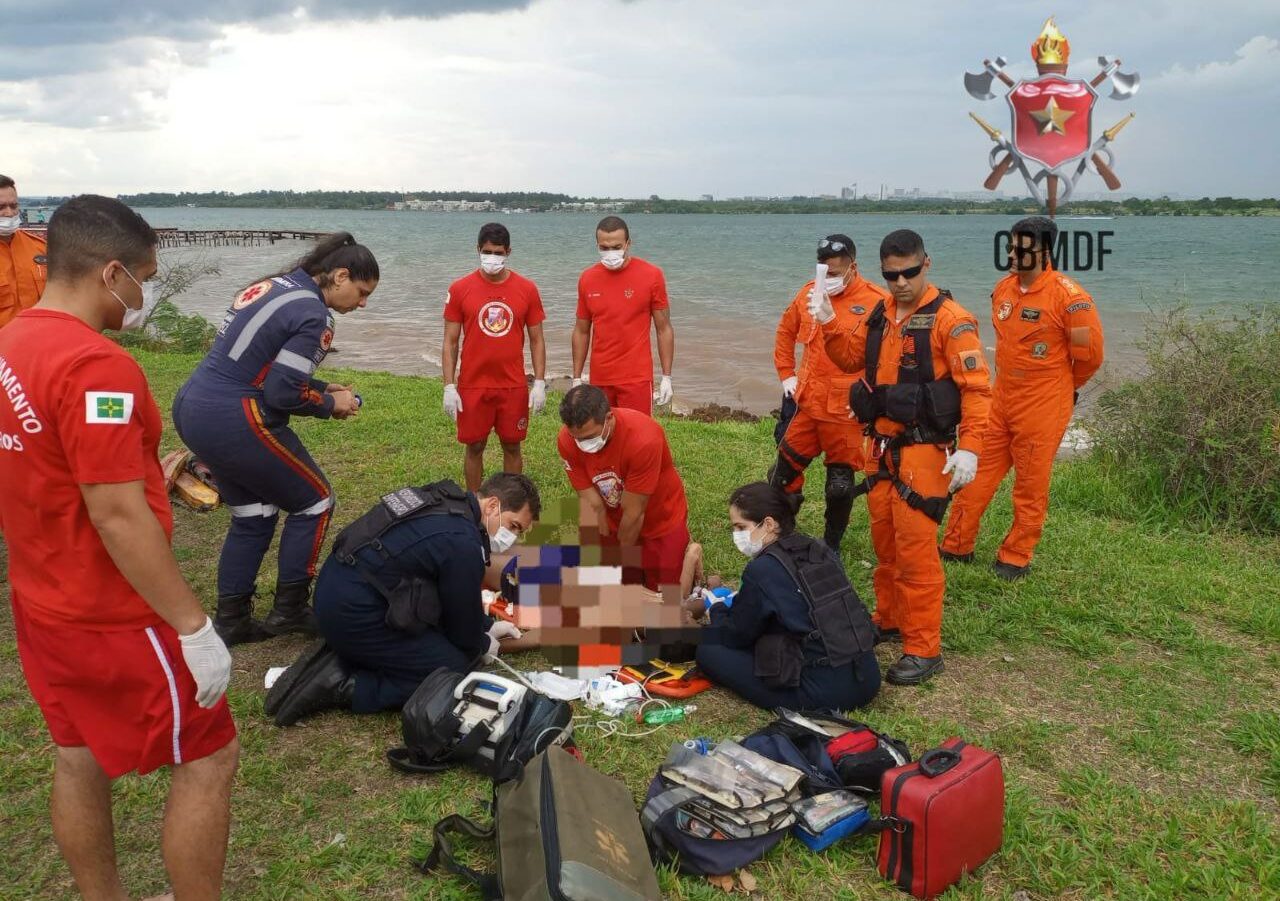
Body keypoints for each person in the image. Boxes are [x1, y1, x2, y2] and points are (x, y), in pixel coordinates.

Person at [0, 195, 237, 899]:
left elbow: (53, 461)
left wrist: (144, 474)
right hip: (112, 613)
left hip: (41, 598)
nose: (146, 290)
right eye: (146, 274)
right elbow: (113, 514)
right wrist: (193, 627)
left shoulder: (12, 343)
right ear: (111, 273)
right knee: (209, 756)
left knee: (76, 755)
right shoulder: (98, 369)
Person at [173, 233, 376, 646]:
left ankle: (231, 619)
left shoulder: (275, 285)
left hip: (195, 405)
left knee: (255, 513)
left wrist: (318, 384)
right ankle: (290, 608)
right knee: (316, 500)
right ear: (340, 276)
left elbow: (259, 362)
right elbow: (282, 393)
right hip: (236, 417)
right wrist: (328, 404)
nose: (362, 303)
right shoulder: (316, 315)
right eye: (362, 292)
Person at [811, 229, 992, 686]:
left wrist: (969, 447)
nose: (901, 282)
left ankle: (923, 648)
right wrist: (829, 320)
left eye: (909, 272)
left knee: (915, 554)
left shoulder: (953, 321)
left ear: (926, 264)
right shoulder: (881, 315)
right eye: (892, 275)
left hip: (925, 450)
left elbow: (977, 390)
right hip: (881, 448)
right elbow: (852, 358)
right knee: (885, 546)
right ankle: (889, 619)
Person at [264, 473, 539, 726]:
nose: (511, 537)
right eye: (514, 526)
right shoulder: (462, 540)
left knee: (447, 644)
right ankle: (343, 684)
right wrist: (481, 642)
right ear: (492, 505)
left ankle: (350, 652)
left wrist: (485, 625)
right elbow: (461, 629)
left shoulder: (443, 498)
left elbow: (449, 592)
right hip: (353, 613)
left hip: (338, 589)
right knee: (454, 666)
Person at [941, 216, 1105, 579]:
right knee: (975, 475)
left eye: (1021, 250)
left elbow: (1088, 357)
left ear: (1045, 252)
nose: (1012, 255)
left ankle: (1015, 555)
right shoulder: (1004, 290)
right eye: (1010, 247)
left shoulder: (1070, 299)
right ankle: (956, 544)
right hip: (1002, 400)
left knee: (1029, 487)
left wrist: (1060, 389)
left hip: (1043, 405)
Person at [692, 483, 881, 711]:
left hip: (825, 694)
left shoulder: (763, 569)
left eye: (740, 527)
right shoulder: (817, 549)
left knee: (707, 649)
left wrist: (718, 610)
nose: (736, 535)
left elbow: (737, 636)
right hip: (868, 678)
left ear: (769, 524)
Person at [772, 234, 890, 551]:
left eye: (836, 272)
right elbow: (785, 332)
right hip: (807, 405)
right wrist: (786, 374)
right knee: (781, 474)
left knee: (839, 487)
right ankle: (784, 535)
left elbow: (886, 356)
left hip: (845, 411)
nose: (830, 277)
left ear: (854, 266)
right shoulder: (809, 293)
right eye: (825, 270)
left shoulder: (877, 301)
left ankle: (831, 545)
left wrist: (872, 396)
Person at [441, 222, 548, 490]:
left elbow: (537, 339)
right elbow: (450, 341)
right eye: (487, 252)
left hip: (512, 384)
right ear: (478, 249)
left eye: (498, 253)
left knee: (512, 445)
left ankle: (510, 502)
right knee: (474, 446)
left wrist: (539, 383)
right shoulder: (460, 288)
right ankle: (475, 504)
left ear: (508, 252)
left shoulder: (527, 289)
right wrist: (449, 386)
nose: (492, 258)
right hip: (473, 384)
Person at [557, 384, 690, 594]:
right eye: (577, 438)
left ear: (609, 418)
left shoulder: (644, 439)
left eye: (590, 437)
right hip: (612, 515)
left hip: (658, 516)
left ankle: (692, 556)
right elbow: (593, 505)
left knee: (664, 596)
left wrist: (619, 562)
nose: (583, 445)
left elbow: (635, 514)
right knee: (616, 586)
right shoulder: (567, 440)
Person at [571, 215, 675, 415]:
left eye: (617, 247)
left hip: (636, 377)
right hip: (600, 377)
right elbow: (581, 331)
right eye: (604, 248)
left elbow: (664, 329)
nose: (610, 253)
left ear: (628, 243)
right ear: (597, 245)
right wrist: (576, 378)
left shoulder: (652, 275)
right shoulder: (587, 278)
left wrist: (667, 377)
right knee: (603, 437)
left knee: (637, 438)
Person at [0, 174, 48, 329]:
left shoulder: (40, 249)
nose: (9, 213)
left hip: (40, 342)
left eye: (14, 206)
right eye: (1, 207)